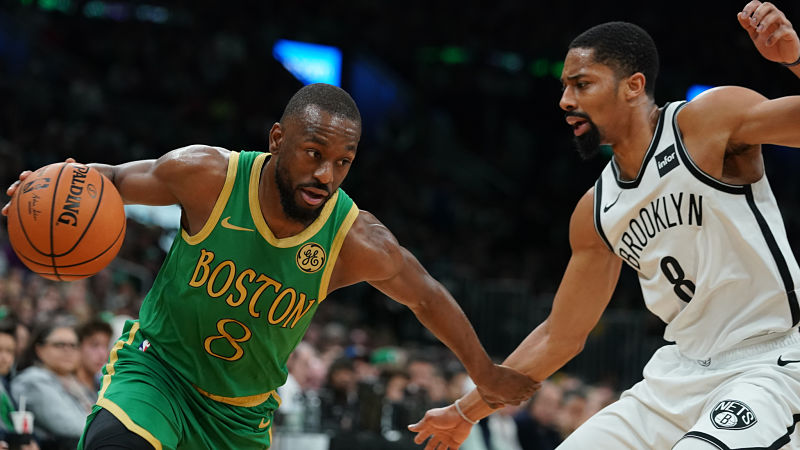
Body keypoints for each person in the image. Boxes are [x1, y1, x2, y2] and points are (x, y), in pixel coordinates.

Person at [2, 83, 538, 449]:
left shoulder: (357, 240)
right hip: (157, 371)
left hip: (241, 415)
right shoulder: (208, 176)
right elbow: (114, 180)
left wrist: (484, 372)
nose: (326, 174)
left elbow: (425, 296)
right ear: (278, 139)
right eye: (313, 153)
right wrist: (42, 186)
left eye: (343, 162)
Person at [409, 1, 800, 449]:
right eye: (564, 87)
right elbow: (560, 335)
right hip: (677, 375)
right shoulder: (596, 211)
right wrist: (465, 412)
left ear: (633, 86)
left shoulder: (708, 122)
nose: (565, 100)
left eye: (582, 84)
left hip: (770, 361)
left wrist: (794, 59)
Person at [11, 322, 91, 449]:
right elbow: (74, 427)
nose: (68, 350)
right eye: (59, 345)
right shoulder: (32, 380)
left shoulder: (71, 380)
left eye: (73, 345)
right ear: (39, 350)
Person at [74, 319, 113, 401]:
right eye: (95, 345)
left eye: (106, 346)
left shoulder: (105, 386)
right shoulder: (66, 386)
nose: (103, 354)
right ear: (78, 346)